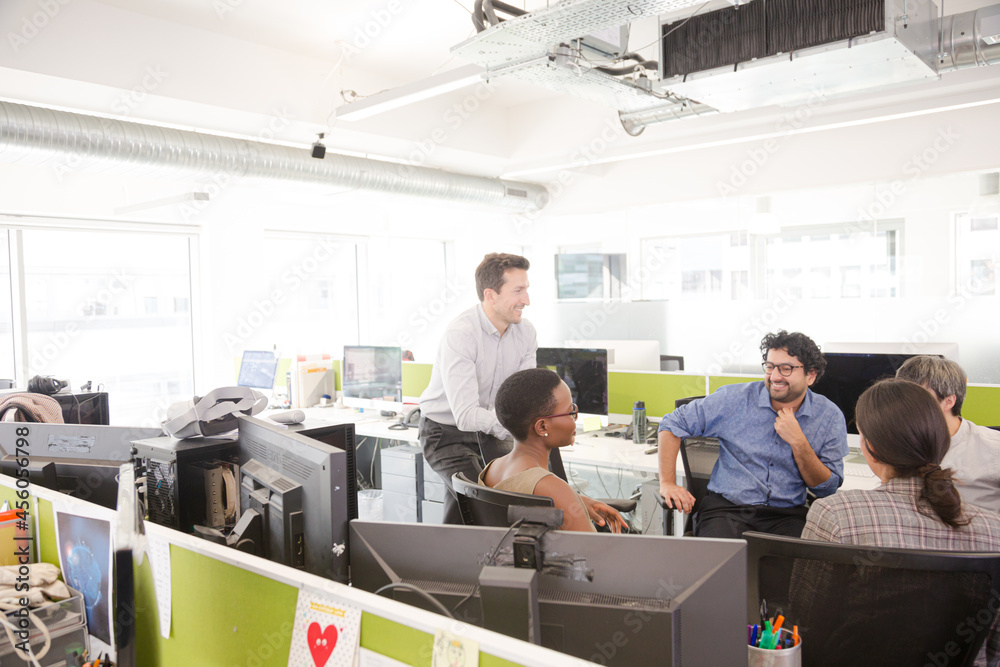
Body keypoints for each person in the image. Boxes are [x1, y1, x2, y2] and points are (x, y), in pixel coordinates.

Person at [799, 379, 1000, 667]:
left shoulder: (835, 513)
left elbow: (805, 622)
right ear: (941, 443)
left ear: (869, 448)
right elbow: (993, 649)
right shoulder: (994, 531)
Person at [657, 330, 848, 539]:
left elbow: (826, 489)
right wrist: (668, 483)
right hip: (727, 510)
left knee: (795, 569)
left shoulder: (829, 417)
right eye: (770, 366)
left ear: (810, 375)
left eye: (786, 369)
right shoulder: (734, 399)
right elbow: (672, 423)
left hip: (786, 515)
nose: (775, 376)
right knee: (723, 566)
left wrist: (799, 442)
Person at [419, 253, 537, 524]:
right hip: (446, 434)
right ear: (491, 295)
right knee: (487, 506)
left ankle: (450, 562)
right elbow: (467, 415)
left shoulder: (526, 333)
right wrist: (515, 427)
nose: (526, 300)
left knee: (465, 511)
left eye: (526, 289)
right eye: (518, 291)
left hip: (493, 431)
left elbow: (525, 396)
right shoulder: (462, 334)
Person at [481, 368, 627, 533]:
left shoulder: (492, 469)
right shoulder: (551, 487)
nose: (574, 419)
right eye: (571, 412)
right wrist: (566, 498)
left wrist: (575, 501)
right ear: (542, 426)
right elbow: (593, 554)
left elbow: (522, 498)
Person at [895, 355, 1000, 514]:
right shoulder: (895, 443)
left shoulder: (993, 448)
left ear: (948, 401)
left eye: (917, 398)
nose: (905, 406)